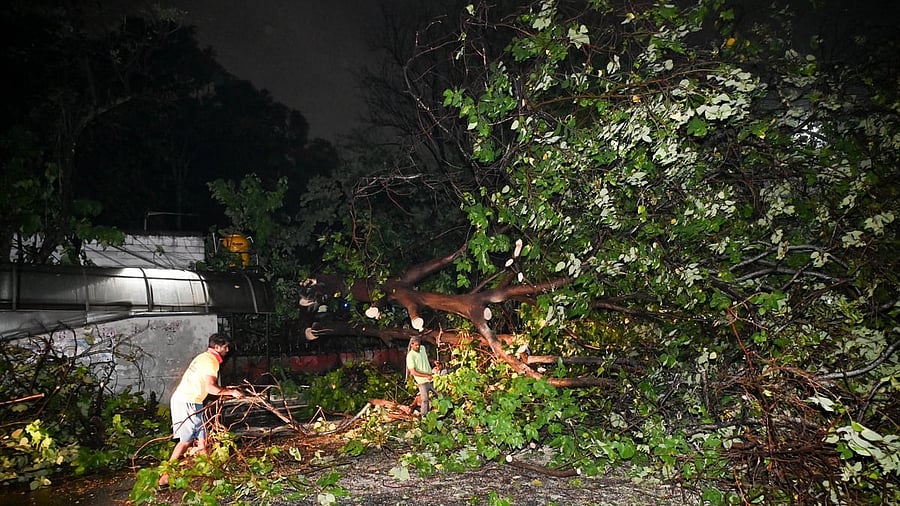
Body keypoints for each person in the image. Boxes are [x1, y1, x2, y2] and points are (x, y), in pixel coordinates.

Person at [158, 333, 244, 488]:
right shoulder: (211, 361)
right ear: (217, 347)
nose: (227, 350)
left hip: (194, 402)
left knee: (202, 439)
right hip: (187, 401)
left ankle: (208, 472)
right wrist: (231, 392)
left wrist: (224, 390)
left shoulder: (203, 357)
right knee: (185, 441)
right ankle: (164, 477)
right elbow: (210, 388)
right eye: (225, 347)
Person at [406, 335, 439, 417]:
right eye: (416, 345)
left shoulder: (422, 348)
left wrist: (433, 361)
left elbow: (426, 358)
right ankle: (424, 416)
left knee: (440, 394)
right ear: (411, 345)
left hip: (431, 378)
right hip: (422, 381)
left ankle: (442, 412)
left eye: (419, 344)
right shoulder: (410, 356)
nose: (418, 346)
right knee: (425, 400)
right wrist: (426, 375)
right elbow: (413, 372)